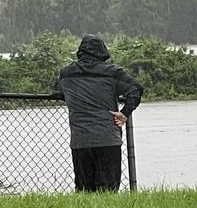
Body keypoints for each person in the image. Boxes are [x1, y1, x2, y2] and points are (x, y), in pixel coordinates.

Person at [52, 34, 143, 192]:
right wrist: (124, 113)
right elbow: (135, 89)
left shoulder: (66, 73)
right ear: (102, 52)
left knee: (85, 191)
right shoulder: (112, 72)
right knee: (108, 191)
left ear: (80, 52)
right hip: (107, 138)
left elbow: (56, 92)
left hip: (80, 140)